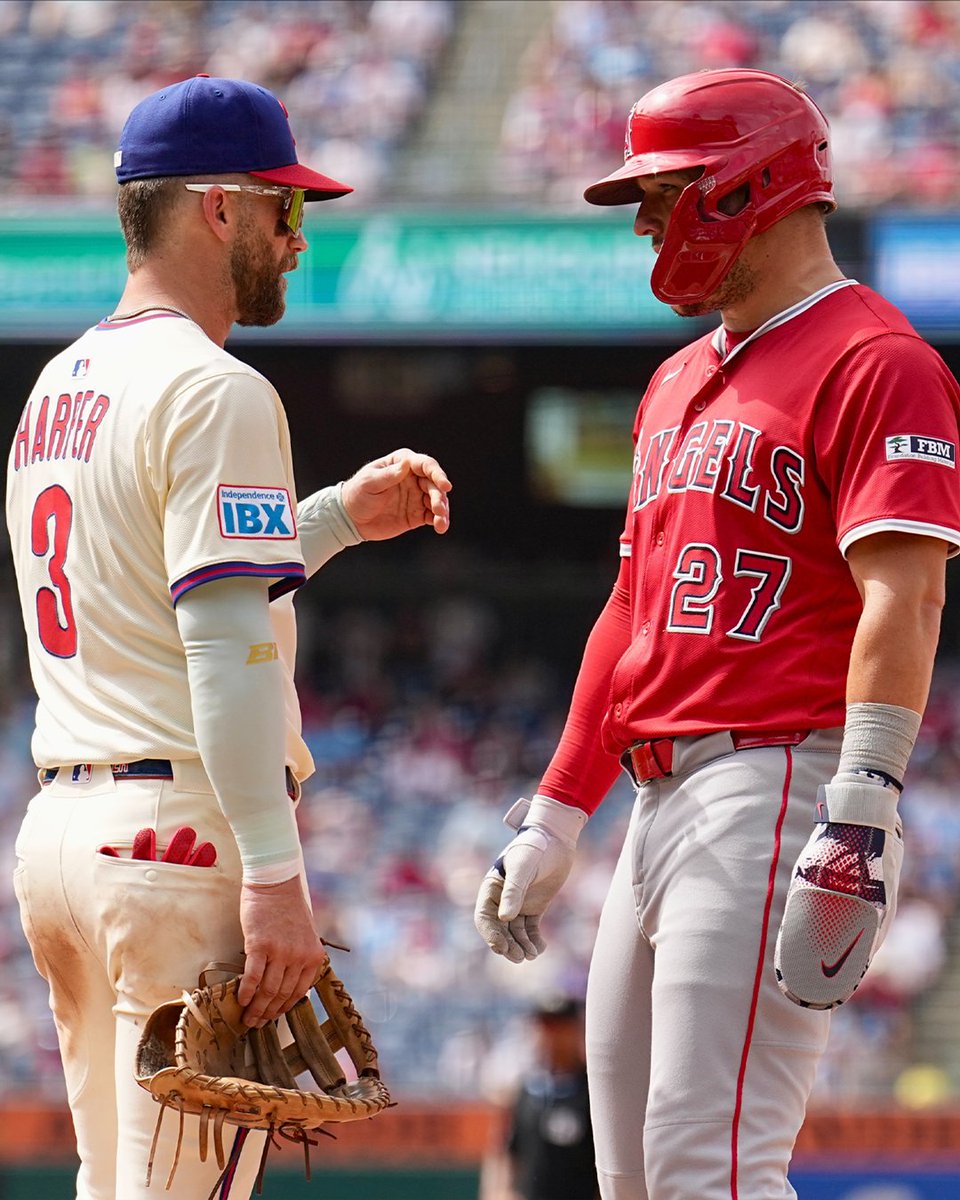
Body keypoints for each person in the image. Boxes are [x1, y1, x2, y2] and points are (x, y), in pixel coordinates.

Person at [474, 68, 960, 1200]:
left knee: (713, 1169)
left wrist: (866, 802)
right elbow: (631, 612)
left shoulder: (877, 359)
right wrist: (555, 813)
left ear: (748, 187)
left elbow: (906, 595)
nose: (646, 222)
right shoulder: (676, 379)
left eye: (661, 192)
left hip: (776, 776)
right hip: (656, 801)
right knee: (636, 1178)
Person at [6, 75, 451, 1200]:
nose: (297, 239)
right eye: (284, 209)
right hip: (175, 842)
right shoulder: (217, 387)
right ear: (217, 208)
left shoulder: (58, 384)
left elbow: (169, 592)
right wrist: (273, 874)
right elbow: (223, 643)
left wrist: (338, 519)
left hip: (63, 834)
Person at [481, 995, 600, 1200]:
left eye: (560, 1026)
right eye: (545, 1026)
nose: (551, 1034)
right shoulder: (526, 1091)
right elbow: (505, 1152)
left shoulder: (594, 1092)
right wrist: (499, 1192)